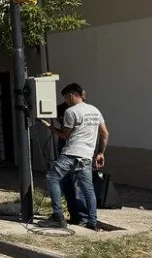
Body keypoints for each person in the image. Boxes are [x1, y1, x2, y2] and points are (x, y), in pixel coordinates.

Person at [43, 83, 109, 230]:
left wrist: (49, 127)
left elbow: (65, 135)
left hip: (70, 153)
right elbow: (105, 134)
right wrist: (100, 153)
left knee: (52, 177)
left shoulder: (71, 112)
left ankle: (58, 217)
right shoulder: (95, 111)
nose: (66, 101)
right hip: (86, 155)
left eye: (66, 98)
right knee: (88, 188)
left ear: (72, 95)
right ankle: (92, 222)